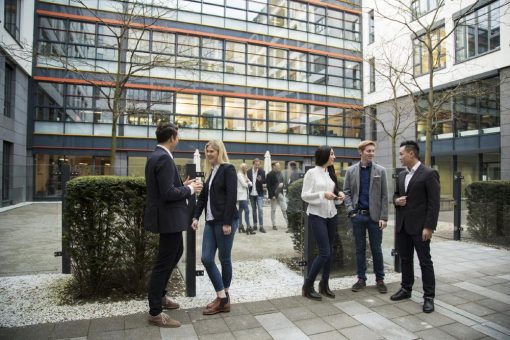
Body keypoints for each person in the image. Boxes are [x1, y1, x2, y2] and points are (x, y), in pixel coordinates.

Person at [144, 122, 203, 328]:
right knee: (164, 262)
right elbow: (167, 194)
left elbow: (166, 188)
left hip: (168, 218)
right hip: (168, 219)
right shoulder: (163, 158)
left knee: (177, 252)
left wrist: (183, 185)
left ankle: (160, 296)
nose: (178, 140)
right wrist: (191, 190)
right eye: (177, 136)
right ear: (172, 138)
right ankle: (155, 311)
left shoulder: (156, 155)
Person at [391, 140, 440, 314]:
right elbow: (396, 195)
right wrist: (397, 201)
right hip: (403, 226)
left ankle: (428, 297)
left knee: (425, 262)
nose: (400, 157)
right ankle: (406, 289)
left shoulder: (429, 173)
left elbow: (434, 204)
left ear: (412, 154)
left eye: (402, 154)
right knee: (405, 259)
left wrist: (429, 227)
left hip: (420, 228)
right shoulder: (402, 175)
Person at [192, 140, 239, 315]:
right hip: (211, 222)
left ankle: (223, 298)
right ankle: (222, 297)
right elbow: (203, 198)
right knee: (206, 258)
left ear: (219, 151)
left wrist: (227, 222)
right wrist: (196, 216)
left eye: (212, 151)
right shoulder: (211, 172)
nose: (209, 154)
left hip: (225, 222)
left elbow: (231, 197)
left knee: (224, 258)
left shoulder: (228, 169)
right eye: (207, 152)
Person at [343, 140, 389, 294]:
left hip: (375, 218)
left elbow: (384, 196)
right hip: (358, 216)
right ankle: (361, 279)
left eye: (373, 151)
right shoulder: (351, 171)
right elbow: (346, 192)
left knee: (377, 249)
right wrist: (351, 211)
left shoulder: (380, 171)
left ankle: (380, 279)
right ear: (361, 152)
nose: (372, 154)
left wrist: (384, 217)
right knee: (359, 249)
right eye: (368, 151)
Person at [301, 145, 345, 301]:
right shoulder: (311, 173)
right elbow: (304, 196)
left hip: (331, 214)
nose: (334, 157)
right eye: (332, 154)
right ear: (325, 155)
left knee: (329, 252)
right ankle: (308, 286)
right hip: (317, 215)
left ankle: (324, 285)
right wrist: (322, 194)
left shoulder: (331, 173)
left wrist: (339, 195)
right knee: (324, 252)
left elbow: (333, 194)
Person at [266, 161, 289, 231]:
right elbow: (269, 186)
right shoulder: (269, 174)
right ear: (273, 166)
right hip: (274, 195)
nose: (279, 167)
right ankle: (274, 225)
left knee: (284, 209)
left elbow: (282, 182)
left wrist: (283, 185)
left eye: (279, 166)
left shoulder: (280, 173)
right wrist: (272, 195)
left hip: (280, 194)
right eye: (277, 166)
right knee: (273, 210)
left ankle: (289, 224)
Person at [247, 158, 266, 233]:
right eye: (256, 164)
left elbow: (264, 181)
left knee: (260, 209)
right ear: (253, 164)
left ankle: (261, 226)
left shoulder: (262, 171)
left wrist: (260, 180)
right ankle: (255, 224)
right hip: (251, 193)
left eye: (258, 165)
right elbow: (247, 180)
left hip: (259, 193)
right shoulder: (248, 172)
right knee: (254, 210)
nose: (257, 166)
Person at [237, 163, 255, 235]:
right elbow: (244, 184)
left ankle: (240, 226)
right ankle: (248, 227)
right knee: (247, 210)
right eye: (246, 168)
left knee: (240, 211)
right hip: (241, 196)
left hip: (244, 195)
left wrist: (248, 182)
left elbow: (251, 183)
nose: (247, 169)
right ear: (242, 168)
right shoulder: (239, 174)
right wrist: (248, 183)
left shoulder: (244, 174)